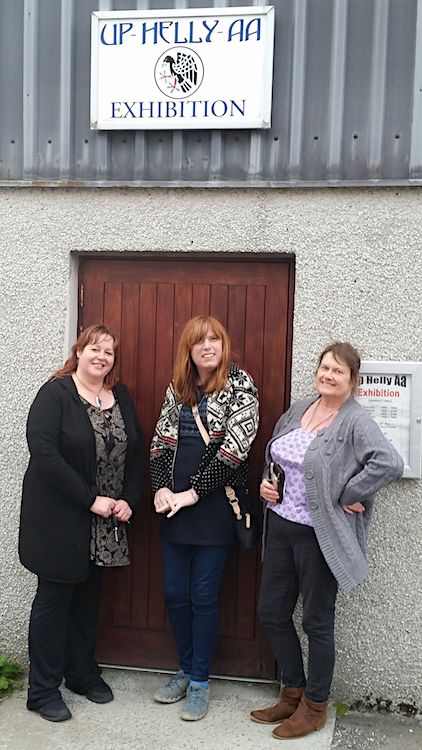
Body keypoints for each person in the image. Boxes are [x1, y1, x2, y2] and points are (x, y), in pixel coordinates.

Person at [250, 341, 403, 740]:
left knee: (317, 621)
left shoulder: (355, 420)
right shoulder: (301, 408)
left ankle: (315, 706)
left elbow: (389, 462)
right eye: (324, 368)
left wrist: (349, 494)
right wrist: (268, 483)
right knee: (271, 612)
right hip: (281, 526)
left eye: (338, 371)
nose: (328, 375)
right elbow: (275, 456)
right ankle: (292, 691)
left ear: (353, 380)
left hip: (320, 536)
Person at [19, 324, 145, 722]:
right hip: (61, 519)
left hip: (105, 522)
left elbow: (137, 451)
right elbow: (44, 453)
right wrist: (90, 499)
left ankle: (80, 673)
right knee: (54, 603)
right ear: (79, 351)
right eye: (94, 348)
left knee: (89, 600)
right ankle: (42, 689)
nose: (101, 356)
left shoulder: (119, 395)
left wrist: (128, 499)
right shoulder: (55, 394)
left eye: (108, 352)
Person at [150, 315, 259, 721]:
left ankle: (199, 681)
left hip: (214, 509)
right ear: (189, 349)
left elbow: (235, 449)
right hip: (175, 510)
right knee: (175, 594)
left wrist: (192, 492)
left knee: (203, 596)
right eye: (199, 341)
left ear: (223, 345)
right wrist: (161, 489)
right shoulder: (177, 388)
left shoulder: (241, 385)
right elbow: (160, 442)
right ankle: (183, 667)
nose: (208, 346)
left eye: (214, 339)